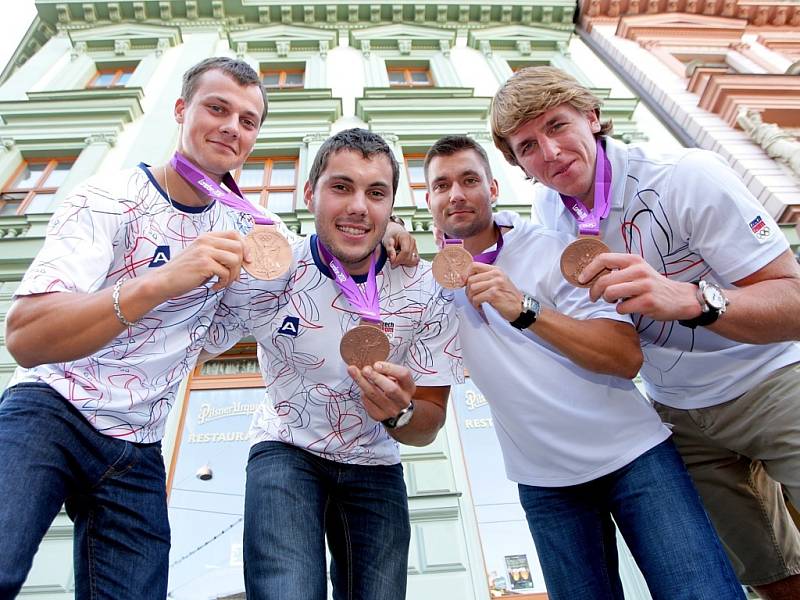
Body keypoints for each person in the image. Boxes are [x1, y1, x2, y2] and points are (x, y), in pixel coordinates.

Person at [0, 58, 416, 599]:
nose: (231, 127)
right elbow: (26, 337)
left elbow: (323, 248)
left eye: (248, 120)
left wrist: (387, 228)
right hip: (53, 411)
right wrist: (163, 280)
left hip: (140, 444)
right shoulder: (108, 197)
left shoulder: (253, 234)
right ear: (181, 110)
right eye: (217, 108)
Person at [490, 65, 800, 600]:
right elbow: (482, 237)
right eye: (528, 146)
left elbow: (792, 300)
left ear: (592, 118)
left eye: (558, 125)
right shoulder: (546, 213)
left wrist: (693, 299)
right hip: (678, 415)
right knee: (771, 576)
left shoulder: (684, 174)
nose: (551, 152)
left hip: (770, 382)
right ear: (519, 165)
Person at [423, 134, 743, 600]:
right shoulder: (430, 284)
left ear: (492, 189)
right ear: (428, 200)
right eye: (441, 185)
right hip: (545, 483)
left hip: (635, 458)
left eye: (469, 180)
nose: (456, 194)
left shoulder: (552, 247)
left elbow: (624, 355)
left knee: (702, 593)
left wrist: (525, 309)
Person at [203, 128, 461, 600]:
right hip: (286, 448)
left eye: (376, 193)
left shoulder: (426, 290)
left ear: (391, 206)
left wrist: (399, 412)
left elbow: (428, 424)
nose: (359, 206)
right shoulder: (273, 270)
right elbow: (188, 343)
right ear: (309, 193)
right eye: (341, 187)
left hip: (375, 465)